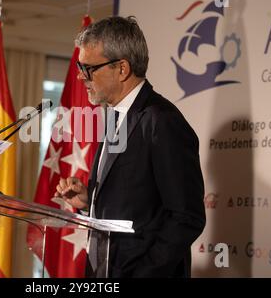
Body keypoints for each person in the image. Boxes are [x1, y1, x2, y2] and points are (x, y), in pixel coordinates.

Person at [54, 16, 206, 278]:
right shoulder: (115, 115)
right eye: (80, 67)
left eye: (88, 68)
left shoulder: (162, 121)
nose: (80, 77)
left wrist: (142, 274)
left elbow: (186, 217)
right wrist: (89, 200)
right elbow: (137, 201)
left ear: (122, 69)